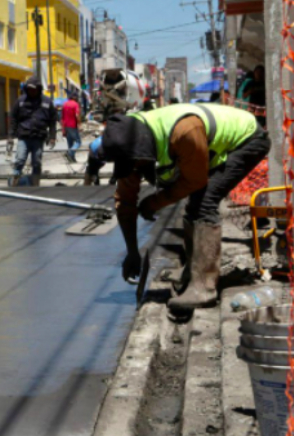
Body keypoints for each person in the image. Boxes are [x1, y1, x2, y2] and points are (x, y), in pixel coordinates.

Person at [94, 103, 270, 310]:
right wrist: (132, 252)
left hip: (246, 139)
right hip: (205, 145)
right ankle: (193, 273)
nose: (136, 170)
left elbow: (194, 181)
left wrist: (155, 202)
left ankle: (203, 288)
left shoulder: (184, 131)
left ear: (143, 150)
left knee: (204, 202)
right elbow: (125, 202)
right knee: (196, 203)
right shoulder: (129, 146)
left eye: (137, 164)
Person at [10, 76, 57, 187]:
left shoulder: (47, 102)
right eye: (29, 89)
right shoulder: (20, 101)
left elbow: (53, 121)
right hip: (24, 136)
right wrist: (10, 136)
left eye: (34, 89)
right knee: (20, 160)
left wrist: (52, 136)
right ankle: (14, 182)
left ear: (39, 89)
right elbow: (13, 118)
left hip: (38, 137)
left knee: (36, 162)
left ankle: (35, 183)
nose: (32, 91)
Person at [61, 90, 82, 163]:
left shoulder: (64, 104)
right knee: (78, 142)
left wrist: (63, 129)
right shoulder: (75, 104)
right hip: (73, 126)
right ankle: (69, 153)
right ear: (75, 97)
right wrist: (79, 124)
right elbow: (77, 115)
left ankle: (72, 159)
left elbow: (62, 118)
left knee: (70, 143)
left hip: (66, 126)